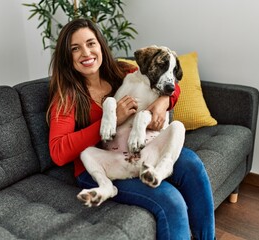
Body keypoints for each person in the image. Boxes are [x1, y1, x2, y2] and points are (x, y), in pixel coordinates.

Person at [47, 18, 215, 240]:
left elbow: (168, 81)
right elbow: (58, 153)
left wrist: (163, 101)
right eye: (75, 48)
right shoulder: (67, 96)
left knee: (191, 163)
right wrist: (110, 121)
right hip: (101, 165)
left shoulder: (121, 71)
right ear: (66, 57)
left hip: (141, 147)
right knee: (171, 201)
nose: (86, 53)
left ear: (100, 45)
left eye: (90, 43)